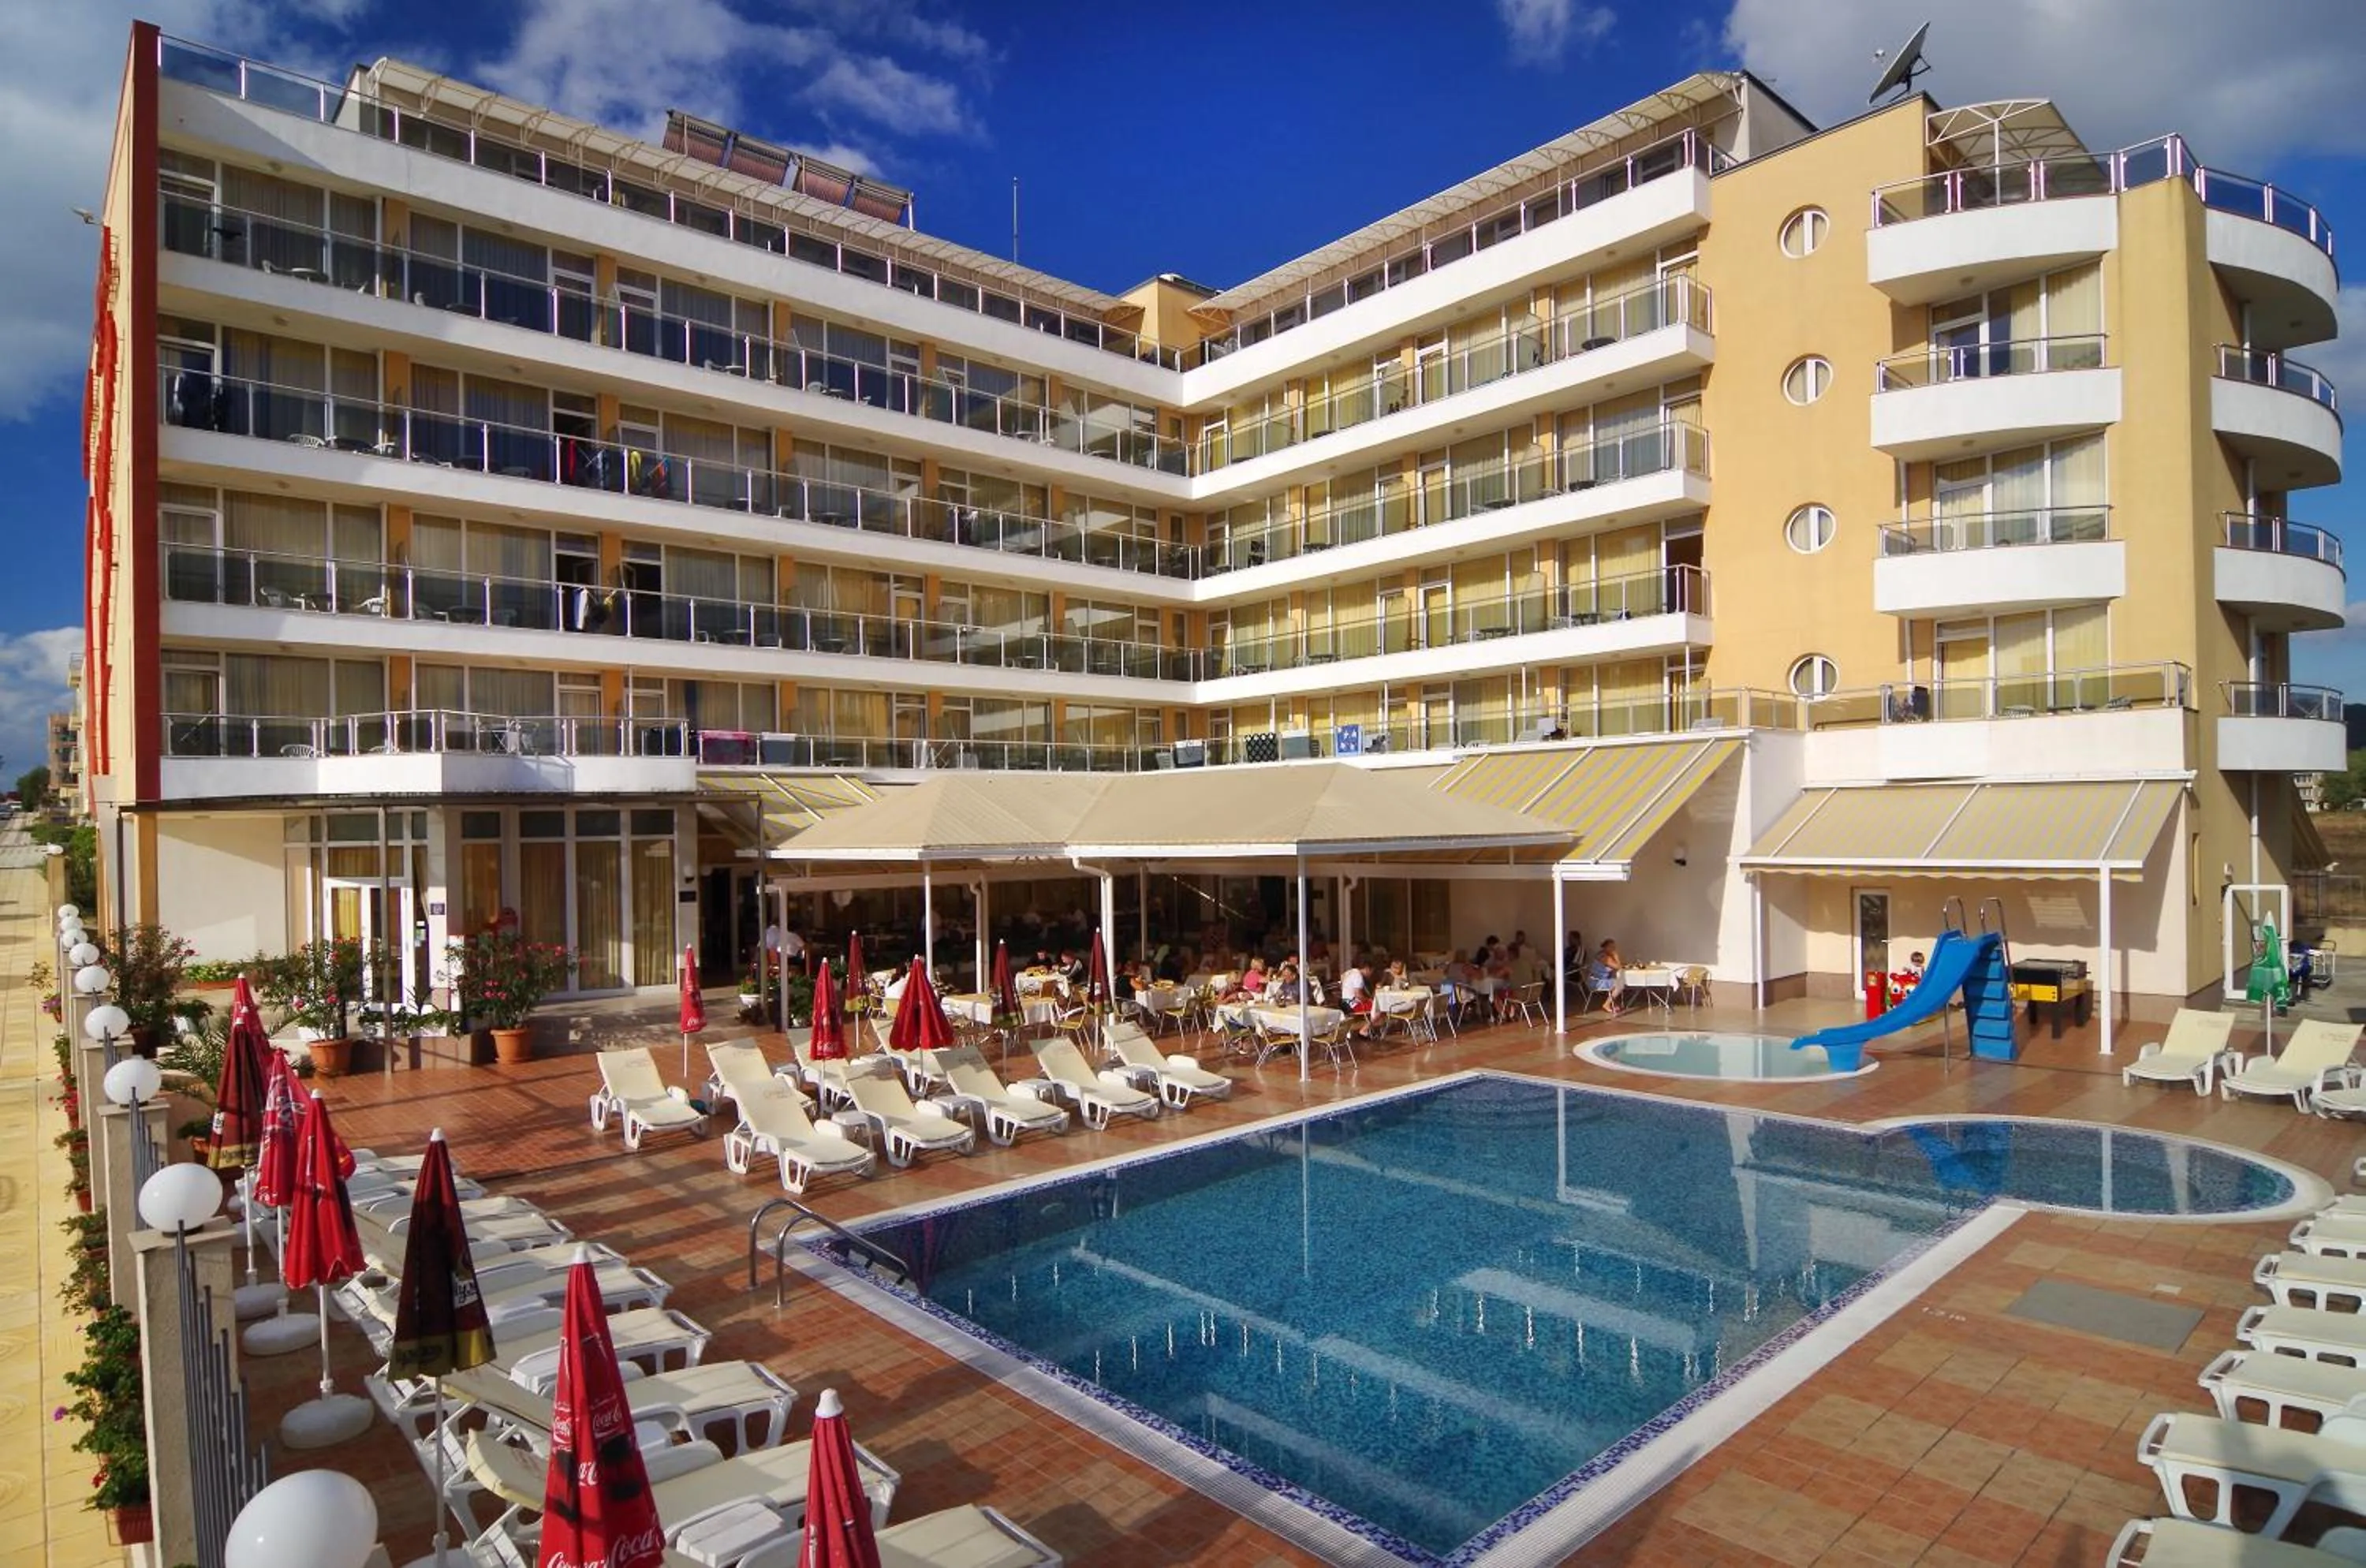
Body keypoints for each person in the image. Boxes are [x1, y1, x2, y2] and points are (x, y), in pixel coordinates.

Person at [1588, 940, 1627, 1017]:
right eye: (1612, 947)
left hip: (1599, 980)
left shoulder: (1603, 954)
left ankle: (1612, 1003)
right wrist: (1616, 956)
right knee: (1620, 984)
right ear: (1606, 947)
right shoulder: (1604, 957)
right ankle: (1607, 1004)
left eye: (1614, 947)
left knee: (1616, 980)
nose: (1614, 949)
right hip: (1597, 982)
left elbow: (1615, 966)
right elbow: (1618, 967)